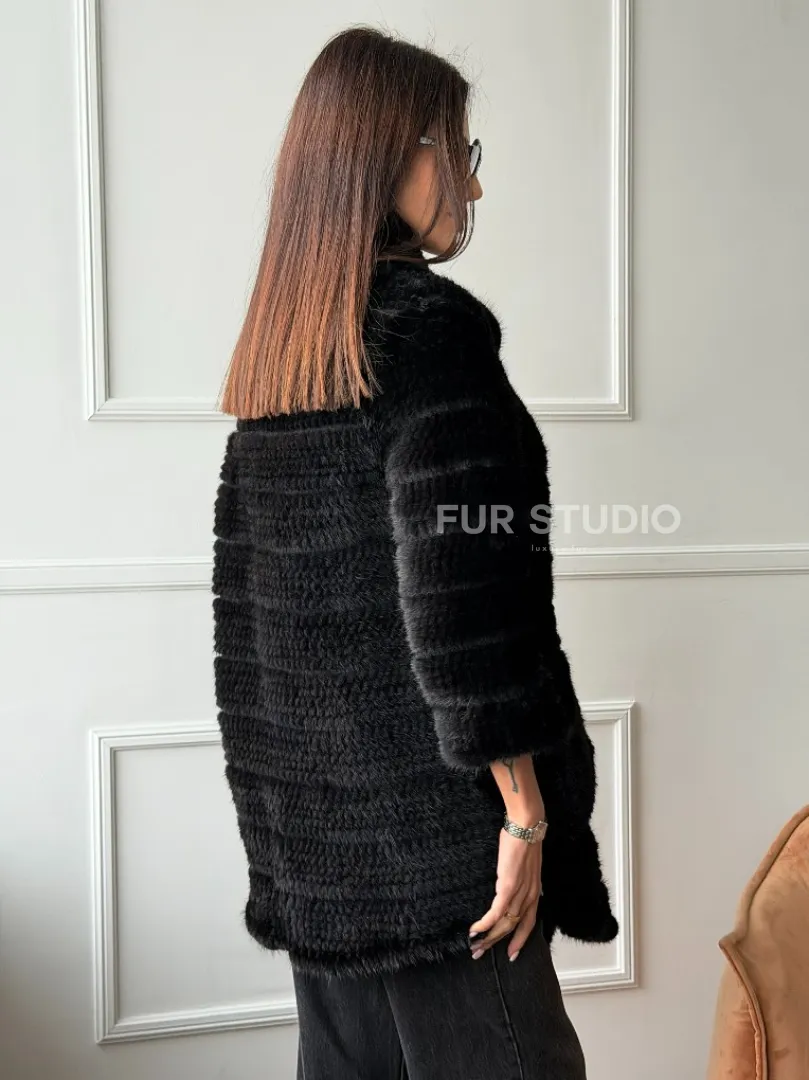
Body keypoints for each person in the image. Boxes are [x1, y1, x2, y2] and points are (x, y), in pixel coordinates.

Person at [212, 25, 618, 1080]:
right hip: (444, 849)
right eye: (458, 152)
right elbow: (460, 598)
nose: (471, 188)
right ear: (389, 154)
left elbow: (260, 626)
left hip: (323, 845)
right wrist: (521, 817)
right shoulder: (428, 332)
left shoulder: (290, 350)